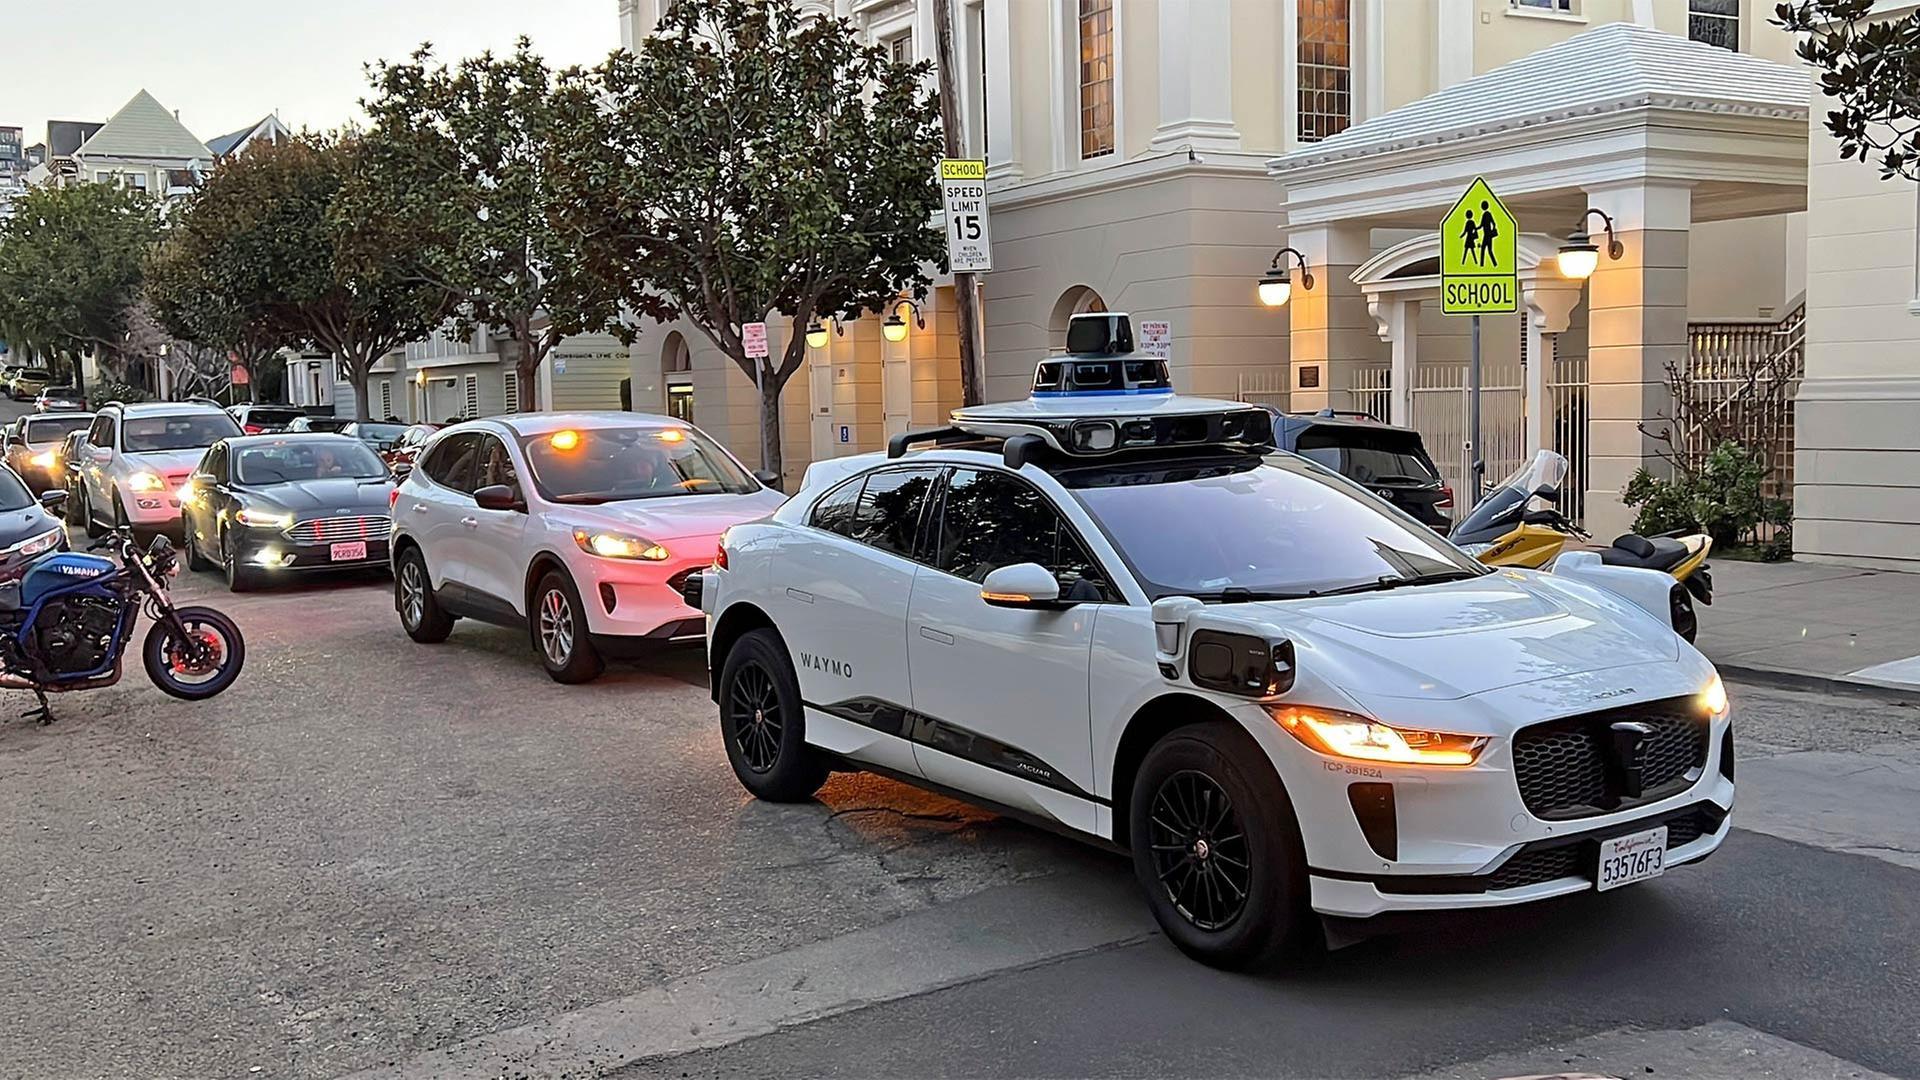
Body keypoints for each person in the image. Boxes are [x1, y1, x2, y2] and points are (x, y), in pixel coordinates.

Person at [1478, 200, 1499, 267]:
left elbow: (1481, 225)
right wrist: (1492, 229)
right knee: (1489, 250)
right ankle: (1494, 264)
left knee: (1483, 250)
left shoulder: (1485, 215)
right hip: (1489, 235)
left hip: (1487, 235)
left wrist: (1475, 228)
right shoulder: (1489, 214)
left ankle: (1482, 264)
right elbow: (1494, 223)